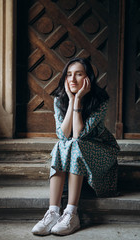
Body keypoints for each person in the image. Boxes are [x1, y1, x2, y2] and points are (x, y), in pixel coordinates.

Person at [31, 58, 120, 236]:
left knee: (76, 143)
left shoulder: (100, 100)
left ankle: (72, 213)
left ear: (88, 79)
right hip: (74, 150)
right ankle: (53, 212)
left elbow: (79, 133)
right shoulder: (60, 99)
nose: (72, 79)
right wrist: (71, 101)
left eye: (79, 74)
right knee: (63, 144)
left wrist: (78, 99)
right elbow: (63, 135)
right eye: (69, 75)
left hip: (101, 151)